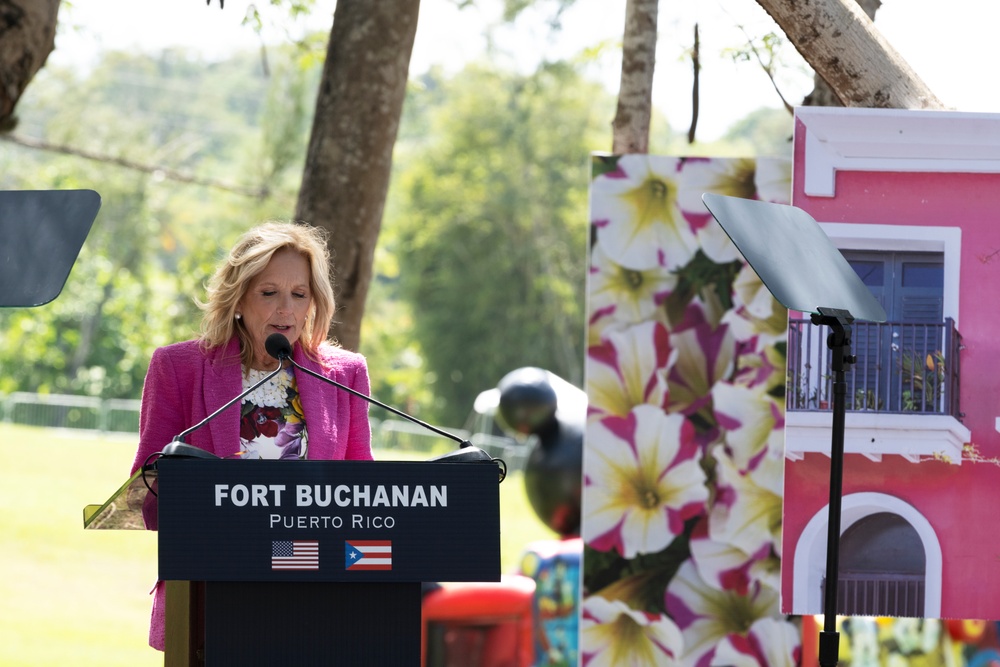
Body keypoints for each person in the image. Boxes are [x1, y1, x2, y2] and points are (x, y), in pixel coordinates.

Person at [129, 221, 373, 651]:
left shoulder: (345, 374)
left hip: (314, 596)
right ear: (239, 298)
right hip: (211, 592)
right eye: (269, 292)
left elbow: (360, 493)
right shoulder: (179, 368)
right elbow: (147, 497)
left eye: (299, 295)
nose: (286, 310)